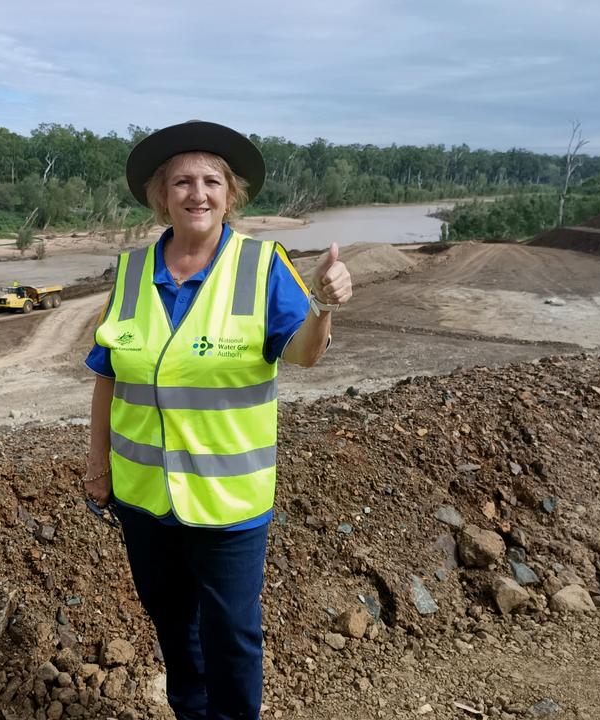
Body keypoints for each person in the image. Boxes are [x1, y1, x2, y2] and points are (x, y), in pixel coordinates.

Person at [83, 120, 351, 720]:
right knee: (174, 628)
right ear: (162, 197)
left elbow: (303, 353)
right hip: (144, 499)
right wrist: (98, 465)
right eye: (181, 181)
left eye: (210, 181)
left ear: (230, 196)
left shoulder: (261, 265)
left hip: (228, 503)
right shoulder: (129, 271)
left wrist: (325, 307)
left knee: (231, 635)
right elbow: (108, 373)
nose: (195, 193)